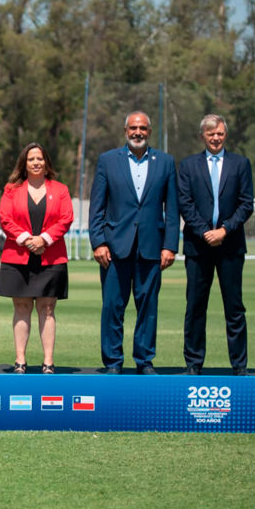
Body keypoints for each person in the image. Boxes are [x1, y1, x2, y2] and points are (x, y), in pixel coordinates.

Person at [89, 111, 179, 375]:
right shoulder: (107, 161)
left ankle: (144, 360)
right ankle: (113, 362)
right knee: (112, 308)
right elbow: (97, 206)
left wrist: (170, 246)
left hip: (152, 248)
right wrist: (98, 242)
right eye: (133, 128)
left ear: (150, 131)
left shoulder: (165, 162)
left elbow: (172, 210)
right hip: (114, 249)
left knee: (148, 308)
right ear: (125, 130)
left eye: (142, 128)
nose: (137, 132)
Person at [178, 114, 254, 376]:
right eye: (211, 134)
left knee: (234, 308)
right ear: (203, 136)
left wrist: (223, 230)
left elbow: (246, 204)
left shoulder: (240, 164)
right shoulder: (188, 166)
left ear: (225, 135)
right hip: (198, 248)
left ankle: (239, 365)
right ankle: (193, 363)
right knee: (196, 307)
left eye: (220, 133)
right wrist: (205, 232)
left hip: (231, 246)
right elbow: (185, 204)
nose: (216, 138)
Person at [0, 143, 73, 374]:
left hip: (51, 257)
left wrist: (44, 240)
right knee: (21, 306)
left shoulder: (60, 189)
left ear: (46, 162)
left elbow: (66, 218)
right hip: (18, 256)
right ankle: (20, 360)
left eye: (40, 158)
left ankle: (48, 361)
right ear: (24, 163)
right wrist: (26, 239)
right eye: (31, 159)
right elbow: (5, 217)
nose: (36, 162)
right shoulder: (11, 189)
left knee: (48, 308)